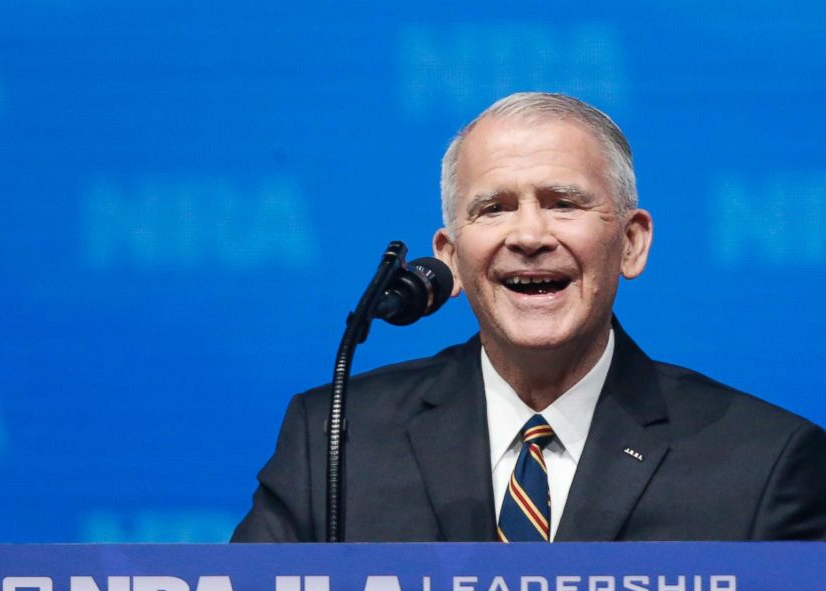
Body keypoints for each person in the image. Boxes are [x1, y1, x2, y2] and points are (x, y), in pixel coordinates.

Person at [231, 92, 826, 542]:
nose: (530, 235)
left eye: (564, 203)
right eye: (494, 208)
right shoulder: (335, 438)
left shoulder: (766, 461)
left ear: (631, 243)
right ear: (450, 261)